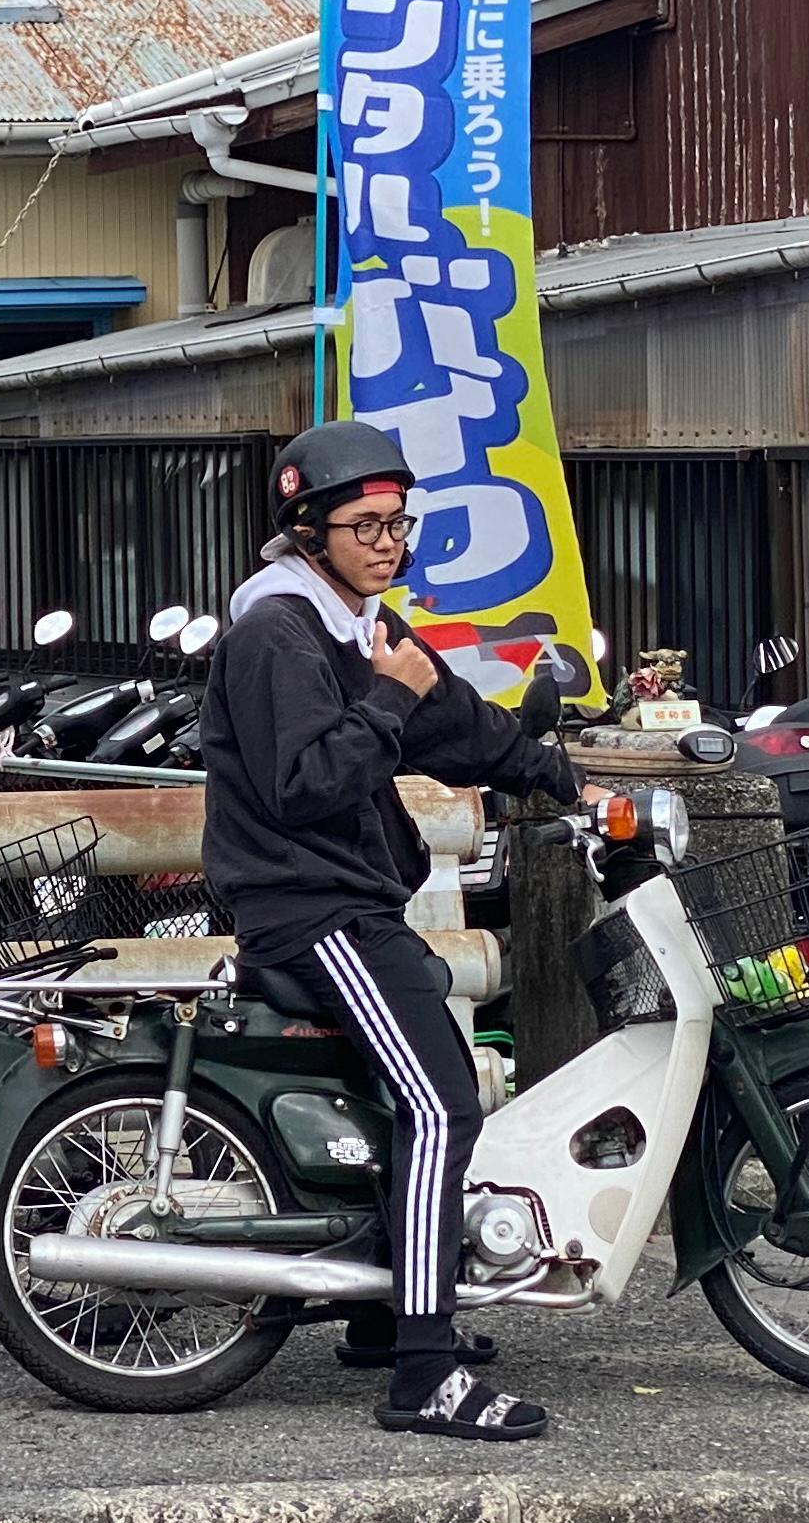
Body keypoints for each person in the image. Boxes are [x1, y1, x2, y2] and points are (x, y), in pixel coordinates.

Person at [200, 419, 582, 1442]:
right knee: (443, 1105)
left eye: (398, 522)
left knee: (399, 1101)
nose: (387, 542)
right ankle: (423, 1376)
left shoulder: (358, 626)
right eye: (364, 524)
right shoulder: (275, 633)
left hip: (356, 903)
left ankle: (378, 1310)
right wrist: (383, 698)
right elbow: (302, 787)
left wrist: (558, 767)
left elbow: (454, 722)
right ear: (306, 527)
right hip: (310, 909)